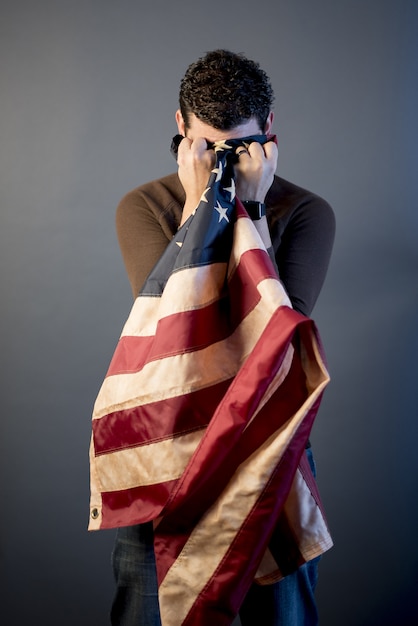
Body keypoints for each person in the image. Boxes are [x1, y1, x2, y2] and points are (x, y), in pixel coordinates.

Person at [111, 49, 335, 626]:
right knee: (148, 613)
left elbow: (272, 342)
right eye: (209, 146)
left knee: (282, 614)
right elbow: (176, 324)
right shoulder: (145, 206)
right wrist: (195, 208)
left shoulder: (304, 211)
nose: (223, 163)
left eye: (237, 147)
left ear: (268, 129)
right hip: (171, 435)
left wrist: (252, 207)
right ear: (180, 127)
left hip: (265, 435)